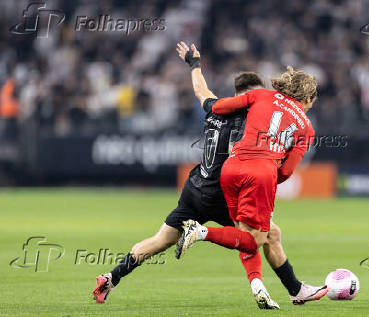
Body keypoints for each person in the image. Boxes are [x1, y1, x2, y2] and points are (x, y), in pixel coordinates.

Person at [92, 42, 304, 309]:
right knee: (262, 235)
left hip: (194, 187)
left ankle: (111, 277)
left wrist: (194, 64)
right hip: (222, 193)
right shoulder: (249, 122)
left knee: (160, 241)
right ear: (254, 97)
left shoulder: (216, 109)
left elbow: (200, 90)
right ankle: (279, 288)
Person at [176, 64, 329, 305]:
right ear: (308, 98)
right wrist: (266, 177)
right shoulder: (306, 128)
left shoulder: (262, 95)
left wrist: (206, 99)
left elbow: (217, 106)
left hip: (231, 167)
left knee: (246, 233)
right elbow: (287, 171)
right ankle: (200, 232)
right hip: (260, 174)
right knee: (255, 240)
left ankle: (288, 289)